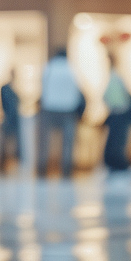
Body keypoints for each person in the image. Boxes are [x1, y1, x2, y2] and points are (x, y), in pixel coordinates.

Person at [37, 48, 83, 179]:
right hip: (68, 110)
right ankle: (66, 169)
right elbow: (77, 91)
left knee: (45, 142)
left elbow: (43, 88)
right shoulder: (71, 70)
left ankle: (42, 168)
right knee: (68, 142)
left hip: (49, 108)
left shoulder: (49, 68)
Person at [103, 58, 131, 179]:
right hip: (119, 115)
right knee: (116, 142)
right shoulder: (116, 78)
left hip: (118, 115)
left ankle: (120, 167)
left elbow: (109, 98)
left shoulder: (114, 78)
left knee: (116, 142)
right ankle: (117, 166)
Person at [0, 71, 22, 173]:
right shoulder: (5, 88)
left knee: (16, 143)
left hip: (15, 120)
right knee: (5, 143)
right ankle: (2, 165)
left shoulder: (15, 89)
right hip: (8, 119)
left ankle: (16, 164)